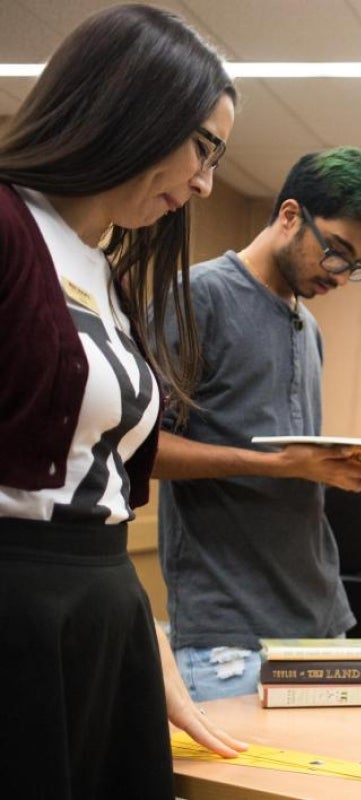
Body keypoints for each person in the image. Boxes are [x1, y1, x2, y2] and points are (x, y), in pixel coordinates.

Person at [0, 4, 247, 795]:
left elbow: (95, 493)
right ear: (133, 107)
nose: (206, 182)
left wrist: (146, 634)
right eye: (203, 148)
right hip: (20, 622)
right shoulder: (9, 230)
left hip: (105, 617)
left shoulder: (105, 271)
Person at [153, 146, 361, 701]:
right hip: (229, 637)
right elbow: (144, 449)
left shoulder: (309, 325)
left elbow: (290, 455)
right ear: (289, 216)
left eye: (359, 266)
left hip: (320, 621)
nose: (343, 276)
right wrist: (282, 466)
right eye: (337, 253)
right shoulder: (198, 297)